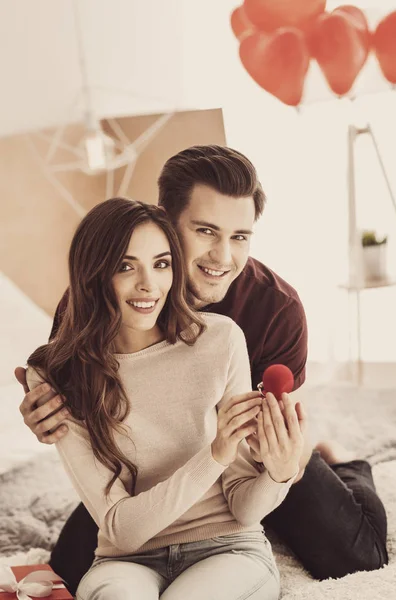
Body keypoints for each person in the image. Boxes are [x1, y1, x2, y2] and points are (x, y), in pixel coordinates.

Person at [16, 146, 388, 595]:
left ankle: (347, 463)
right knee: (71, 564)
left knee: (357, 555)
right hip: (151, 469)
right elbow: (74, 399)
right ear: (164, 222)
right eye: (206, 231)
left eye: (240, 237)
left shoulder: (275, 308)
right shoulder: (95, 302)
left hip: (249, 455)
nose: (222, 256)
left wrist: (277, 468)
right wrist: (45, 417)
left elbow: (276, 433)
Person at [26, 197, 304, 600]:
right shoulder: (57, 375)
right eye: (125, 266)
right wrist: (216, 453)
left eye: (161, 264)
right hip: (125, 561)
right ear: (93, 275)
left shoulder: (220, 340)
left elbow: (244, 508)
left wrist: (277, 473)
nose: (148, 285)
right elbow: (121, 527)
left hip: (229, 549)